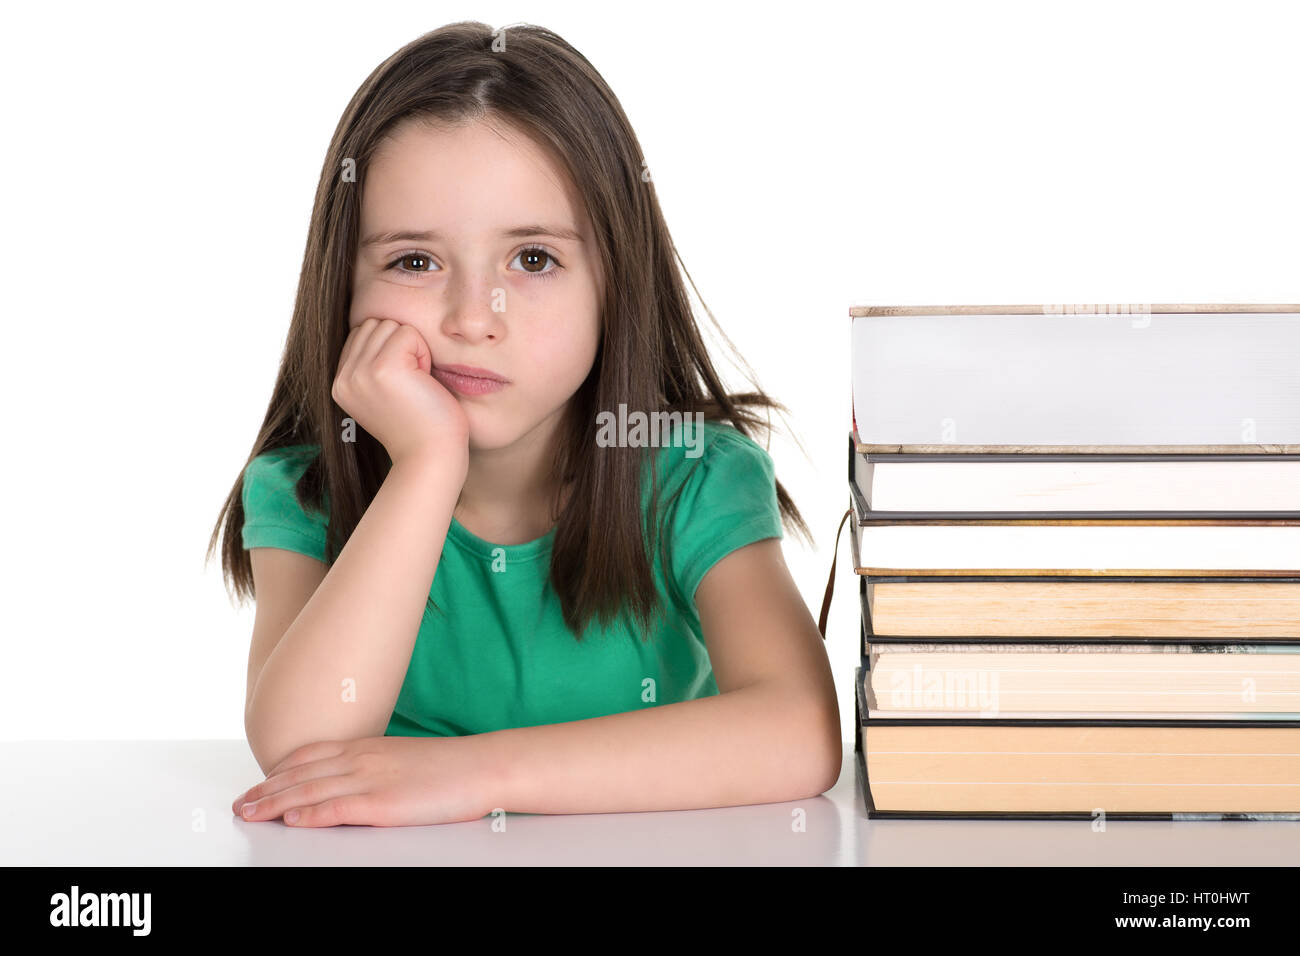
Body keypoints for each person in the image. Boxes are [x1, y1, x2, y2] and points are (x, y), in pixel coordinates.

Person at [207, 20, 839, 827]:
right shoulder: (304, 488)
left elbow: (801, 732)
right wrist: (427, 464)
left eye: (533, 259)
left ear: (615, 283)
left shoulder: (691, 475)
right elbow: (299, 748)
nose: (475, 317)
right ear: (345, 286)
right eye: (415, 261)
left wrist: (476, 776)